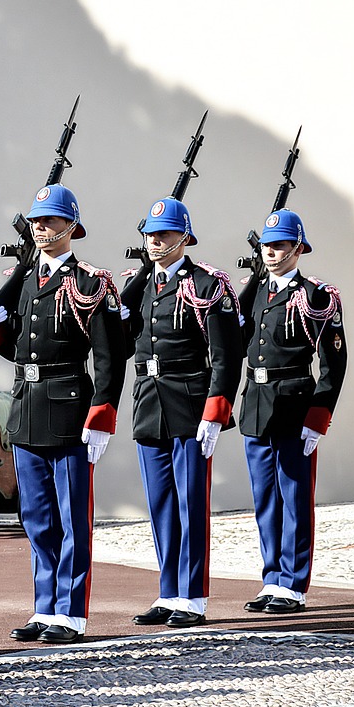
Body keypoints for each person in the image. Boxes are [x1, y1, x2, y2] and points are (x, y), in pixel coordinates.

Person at [0, 184, 125, 644]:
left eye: (50, 221)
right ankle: (45, 606)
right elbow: (16, 350)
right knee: (37, 517)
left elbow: (109, 356)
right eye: (36, 221)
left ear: (71, 226)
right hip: (27, 407)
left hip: (69, 408)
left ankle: (71, 611)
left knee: (71, 518)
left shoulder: (91, 282)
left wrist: (103, 411)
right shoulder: (23, 280)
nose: (42, 228)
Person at [119, 198, 242, 628]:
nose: (155, 241)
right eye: (150, 235)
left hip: (190, 404)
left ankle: (193, 596)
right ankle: (168, 591)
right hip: (150, 402)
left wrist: (216, 411)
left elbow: (226, 356)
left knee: (191, 503)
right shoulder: (141, 286)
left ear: (184, 238)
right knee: (161, 506)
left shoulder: (208, 285)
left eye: (165, 234)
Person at [238, 209, 346, 614]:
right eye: (267, 244)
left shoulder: (316, 296)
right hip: (257, 404)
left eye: (280, 244)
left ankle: (293, 583)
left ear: (298, 248)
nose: (271, 251)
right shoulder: (253, 292)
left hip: (294, 404)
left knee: (294, 495)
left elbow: (334, 362)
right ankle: (272, 578)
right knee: (265, 498)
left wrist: (319, 415)